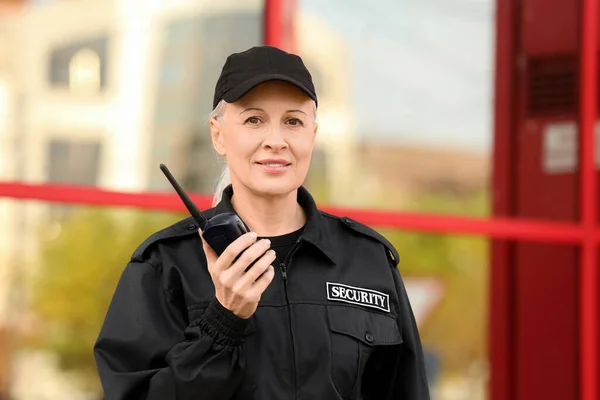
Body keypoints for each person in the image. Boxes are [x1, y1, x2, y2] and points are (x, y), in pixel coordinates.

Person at [93, 45, 430, 400]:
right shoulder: (165, 266)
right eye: (254, 120)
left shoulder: (367, 261)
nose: (275, 141)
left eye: (293, 122)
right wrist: (222, 321)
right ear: (218, 134)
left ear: (312, 136)